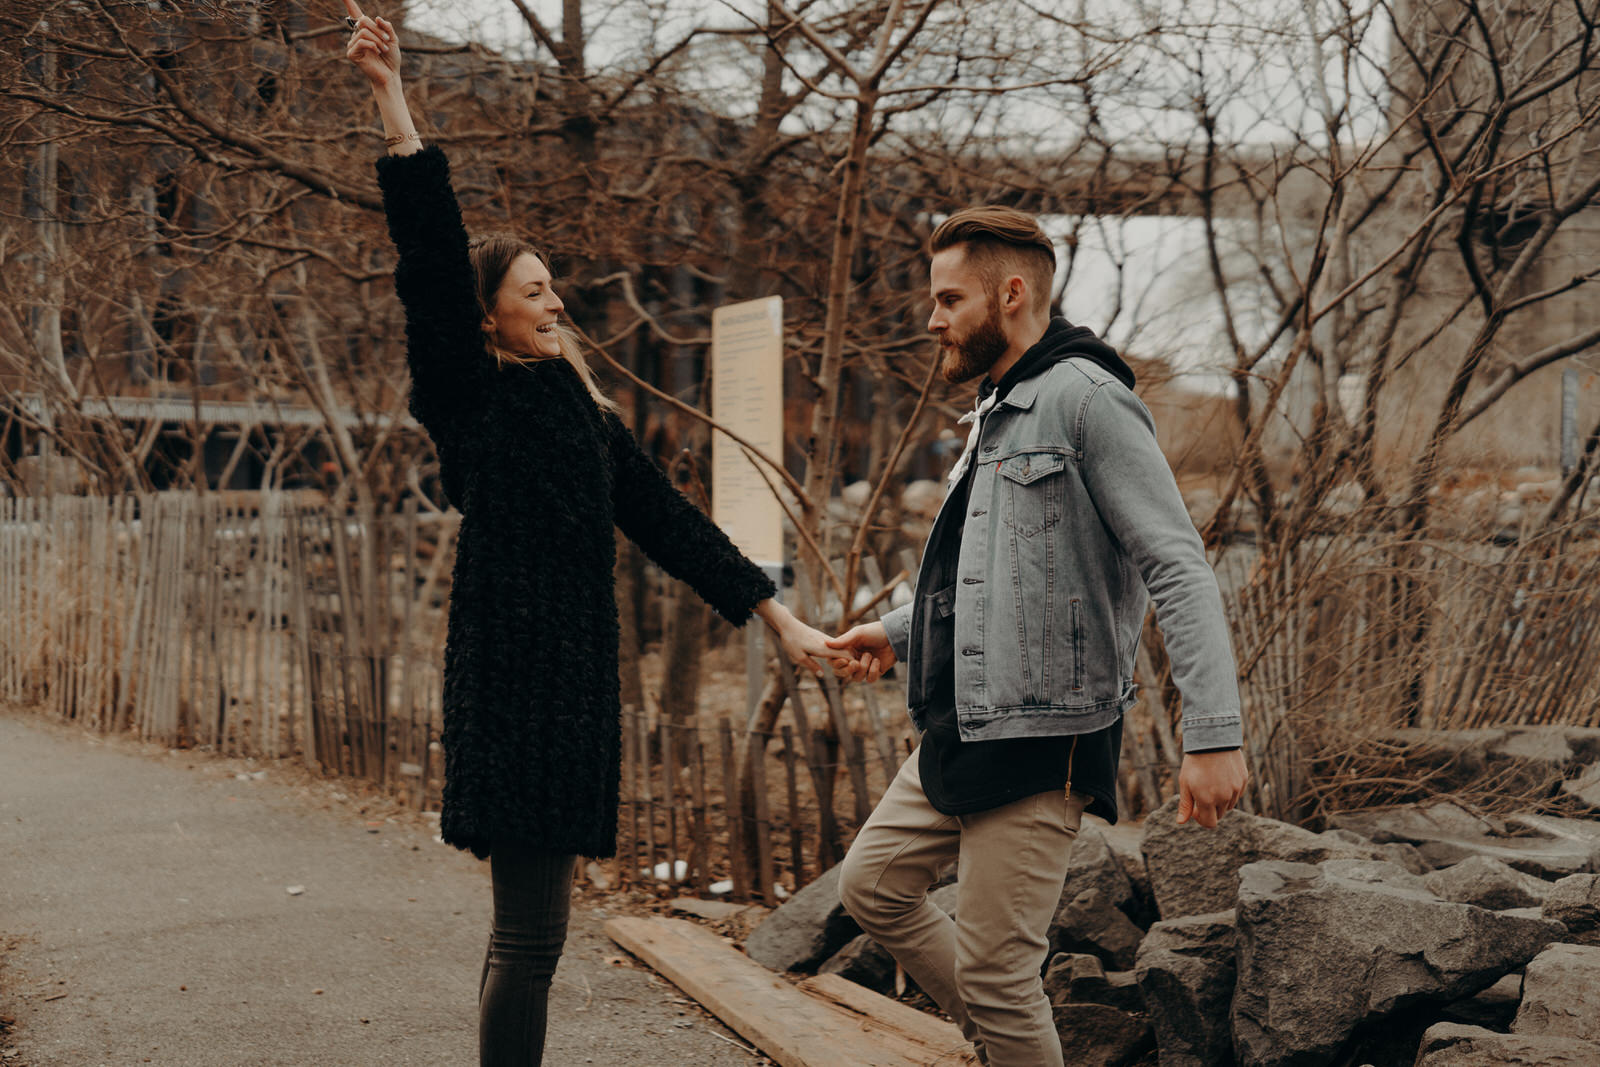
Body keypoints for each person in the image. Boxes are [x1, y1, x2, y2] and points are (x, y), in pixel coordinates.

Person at [341, 7, 835, 1064]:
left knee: (526, 939)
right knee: (530, 938)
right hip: (516, 685)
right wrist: (393, 99)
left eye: (551, 285)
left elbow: (670, 523)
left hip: (571, 692)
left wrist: (778, 618)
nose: (556, 298)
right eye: (533, 289)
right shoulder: (469, 396)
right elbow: (430, 254)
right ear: (487, 319)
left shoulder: (583, 414)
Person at [825, 207, 1249, 1067]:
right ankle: (1009, 1042)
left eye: (949, 299)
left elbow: (1177, 564)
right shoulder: (1000, 406)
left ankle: (1009, 1034)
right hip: (964, 721)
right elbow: (994, 576)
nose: (933, 319)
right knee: (873, 888)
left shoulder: (1088, 400)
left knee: (997, 976)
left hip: (1042, 733)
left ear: (1011, 293)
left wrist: (1214, 734)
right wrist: (899, 631)